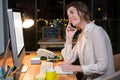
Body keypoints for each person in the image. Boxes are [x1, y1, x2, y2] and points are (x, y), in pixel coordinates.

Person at [59, 1, 115, 80]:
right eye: (68, 15)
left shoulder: (96, 31)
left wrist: (75, 68)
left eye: (72, 12)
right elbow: (68, 60)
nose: (70, 17)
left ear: (82, 12)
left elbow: (102, 66)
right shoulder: (82, 35)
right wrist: (69, 38)